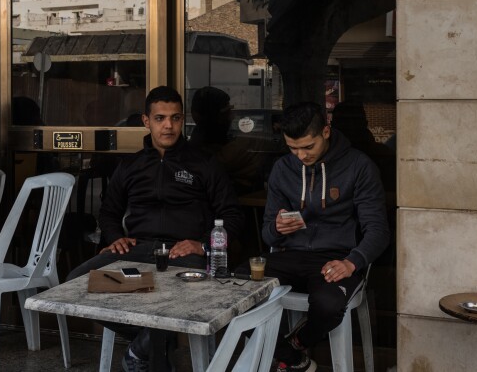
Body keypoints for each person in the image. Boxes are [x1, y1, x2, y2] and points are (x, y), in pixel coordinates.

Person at [68, 86, 243, 372]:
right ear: (146, 121)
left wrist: (202, 244)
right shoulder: (131, 165)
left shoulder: (204, 163)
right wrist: (115, 238)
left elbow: (232, 216)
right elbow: (108, 212)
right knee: (77, 282)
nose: (168, 126)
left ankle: (146, 348)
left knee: (186, 297)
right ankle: (150, 343)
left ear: (182, 119)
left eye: (175, 118)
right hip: (136, 253)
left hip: (183, 255)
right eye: (160, 118)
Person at [263, 101, 389, 372]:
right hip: (290, 255)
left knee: (328, 305)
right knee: (230, 293)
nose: (300, 155)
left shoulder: (359, 166)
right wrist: (277, 229)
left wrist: (352, 262)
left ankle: (294, 344)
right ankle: (295, 359)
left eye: (308, 147)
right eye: (292, 147)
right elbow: (267, 233)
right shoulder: (283, 169)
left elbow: (378, 230)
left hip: (338, 258)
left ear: (327, 131)